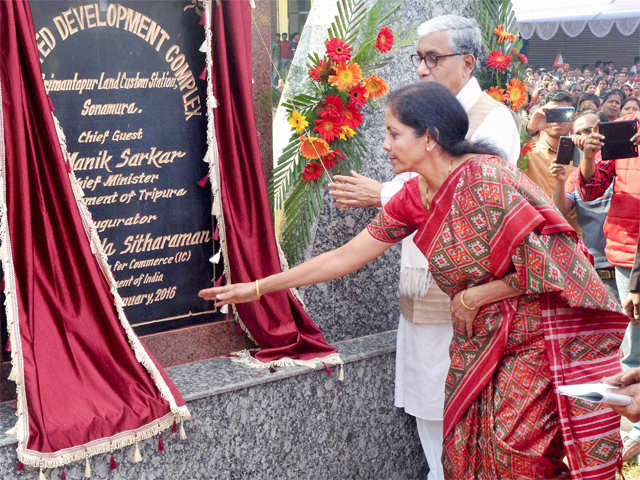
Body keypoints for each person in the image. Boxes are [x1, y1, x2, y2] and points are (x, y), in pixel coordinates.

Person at [200, 82, 626, 479]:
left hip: (538, 333)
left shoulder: (489, 179)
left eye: (393, 134)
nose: (384, 145)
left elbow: (554, 262)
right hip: (481, 337)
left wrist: (477, 294)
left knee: (516, 450)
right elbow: (345, 256)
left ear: (430, 136)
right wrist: (255, 289)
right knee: (464, 447)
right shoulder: (413, 196)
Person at [327, 15, 520, 480]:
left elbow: (469, 198)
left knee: (459, 431)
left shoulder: (494, 120)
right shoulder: (423, 115)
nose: (421, 69)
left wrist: (383, 195)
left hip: (466, 304)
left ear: (469, 63)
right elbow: (348, 253)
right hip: (419, 297)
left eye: (434, 58)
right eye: (418, 58)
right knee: (431, 424)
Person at [579, 112, 640, 460]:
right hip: (624, 251)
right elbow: (591, 189)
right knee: (632, 343)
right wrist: (588, 155)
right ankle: (635, 430)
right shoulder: (624, 130)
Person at [549, 110, 618, 296]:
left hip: (625, 266)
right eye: (577, 133)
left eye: (588, 131)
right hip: (594, 271)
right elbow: (560, 211)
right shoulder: (576, 176)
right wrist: (560, 181)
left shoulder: (623, 166)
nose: (583, 138)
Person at [523, 90, 581, 232]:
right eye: (552, 114)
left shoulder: (583, 153)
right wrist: (531, 128)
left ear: (574, 117)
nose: (558, 120)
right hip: (534, 234)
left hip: (572, 237)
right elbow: (503, 156)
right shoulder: (527, 150)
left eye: (564, 114)